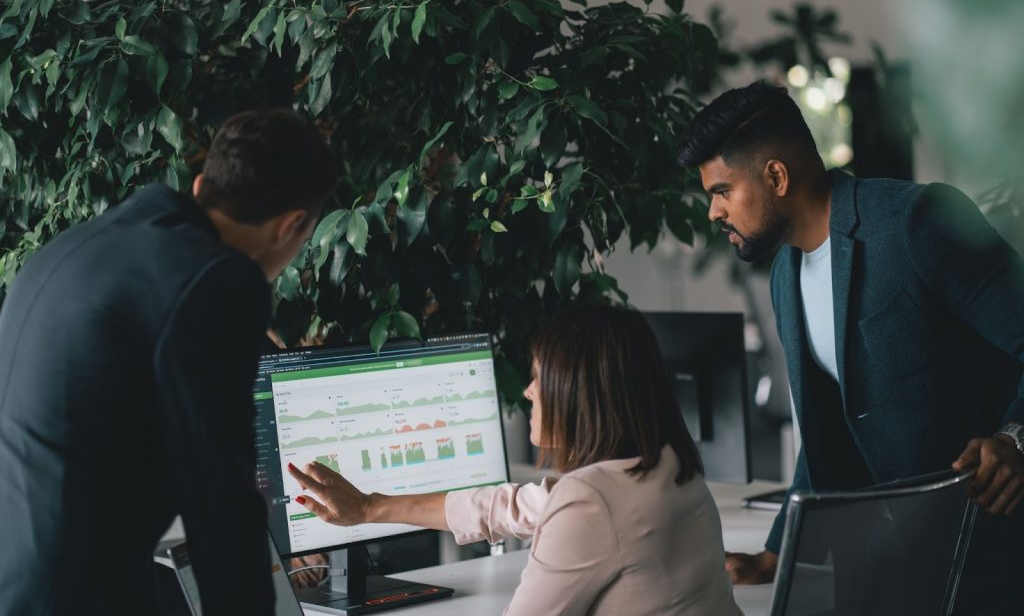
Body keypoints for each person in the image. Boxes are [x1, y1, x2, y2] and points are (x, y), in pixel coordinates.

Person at [676, 81, 1024, 613]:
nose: (713, 213)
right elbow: (824, 431)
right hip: (888, 571)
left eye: (722, 191)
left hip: (985, 554)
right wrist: (776, 552)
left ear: (776, 176)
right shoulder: (784, 275)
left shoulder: (915, 221)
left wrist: (1016, 438)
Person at [0, 109, 336, 615]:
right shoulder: (215, 282)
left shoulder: (80, 246)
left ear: (203, 185)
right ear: (289, 227)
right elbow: (221, 504)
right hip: (76, 595)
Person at [287, 305, 742, 615]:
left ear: (578, 395)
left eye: (540, 377)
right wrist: (369, 507)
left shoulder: (592, 502)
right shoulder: (666, 464)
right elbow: (504, 506)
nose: (528, 392)